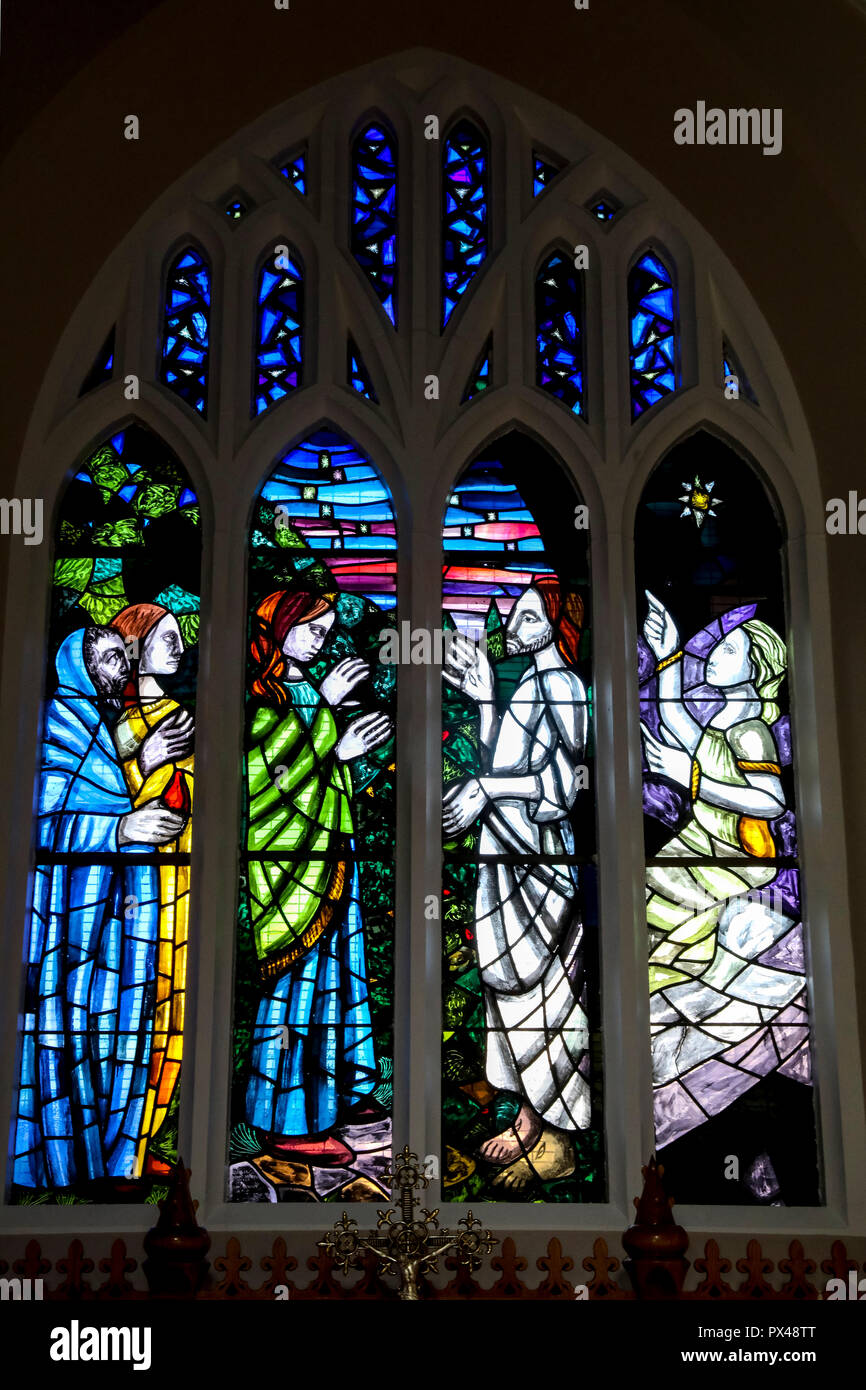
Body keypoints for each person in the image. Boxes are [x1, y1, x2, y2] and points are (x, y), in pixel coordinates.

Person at [12, 626, 185, 1190]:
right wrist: (121, 829)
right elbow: (45, 825)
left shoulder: (103, 734)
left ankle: (115, 1155)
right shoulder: (57, 728)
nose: (123, 670)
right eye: (111, 660)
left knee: (121, 1028)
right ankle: (64, 1165)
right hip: (68, 925)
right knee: (70, 1031)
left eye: (123, 658)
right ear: (80, 670)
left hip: (116, 916)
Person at [639, 593, 807, 1150]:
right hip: (698, 846)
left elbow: (770, 801)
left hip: (733, 860)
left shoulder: (753, 732)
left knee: (661, 927)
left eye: (729, 650)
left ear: (755, 669)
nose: (713, 655)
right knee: (643, 911)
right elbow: (675, 719)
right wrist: (668, 656)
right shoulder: (723, 724)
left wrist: (693, 780)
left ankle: (667, 1035)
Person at [442, 577, 591, 1191]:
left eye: (529, 617)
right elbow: (505, 765)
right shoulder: (531, 681)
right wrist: (484, 702)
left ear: (558, 623)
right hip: (508, 850)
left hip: (540, 857)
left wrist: (485, 789)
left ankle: (560, 1137)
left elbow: (562, 785)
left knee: (548, 992)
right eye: (514, 617)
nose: (512, 627)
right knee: (515, 991)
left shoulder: (561, 684)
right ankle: (531, 1116)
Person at [243, 588, 392, 1167]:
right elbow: (265, 780)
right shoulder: (262, 695)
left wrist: (339, 750)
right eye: (311, 629)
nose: (320, 641)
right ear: (279, 628)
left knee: (335, 980)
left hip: (329, 855)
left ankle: (338, 1088)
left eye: (326, 633)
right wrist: (332, 730)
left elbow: (319, 773)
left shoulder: (307, 689)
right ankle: (287, 1120)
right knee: (296, 990)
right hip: (287, 866)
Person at [110, 604, 194, 1173]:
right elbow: (103, 793)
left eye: (181, 637)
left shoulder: (182, 713)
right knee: (136, 994)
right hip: (128, 884)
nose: (179, 649)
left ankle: (151, 1130)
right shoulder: (110, 719)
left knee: (174, 998)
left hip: (180, 873)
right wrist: (148, 757)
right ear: (134, 645)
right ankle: (122, 1134)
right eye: (167, 638)